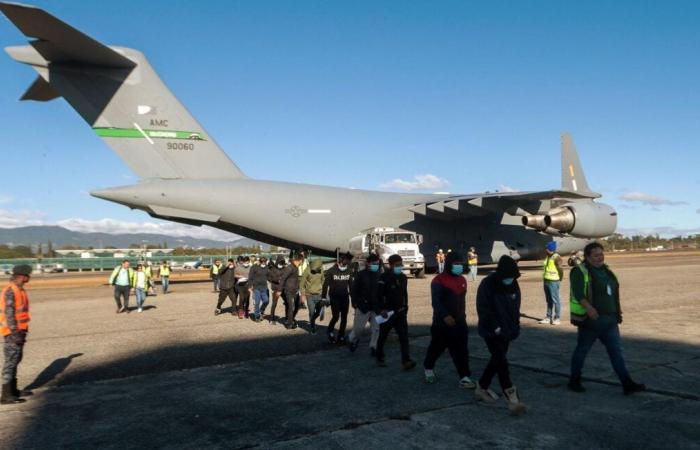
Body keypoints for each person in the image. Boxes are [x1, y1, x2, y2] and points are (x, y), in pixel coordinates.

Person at [568, 242, 646, 395]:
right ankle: (574, 380)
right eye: (596, 255)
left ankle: (627, 383)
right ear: (588, 257)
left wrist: (617, 313)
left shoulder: (607, 271)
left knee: (616, 352)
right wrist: (589, 308)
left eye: (601, 254)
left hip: (610, 321)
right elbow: (578, 293)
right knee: (582, 351)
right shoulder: (580, 271)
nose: (600, 258)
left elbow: (614, 292)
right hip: (591, 321)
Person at [475, 255, 527, 415]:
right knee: (501, 360)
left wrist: (515, 326)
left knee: (497, 360)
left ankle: (482, 387)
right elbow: (483, 308)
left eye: (513, 277)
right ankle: (511, 396)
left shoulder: (513, 283)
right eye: (508, 276)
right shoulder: (488, 284)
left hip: (507, 330)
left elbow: (515, 307)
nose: (510, 279)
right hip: (491, 330)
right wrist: (495, 327)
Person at [423, 252, 475, 388]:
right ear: (449, 264)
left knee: (462, 350)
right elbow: (436, 302)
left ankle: (464, 377)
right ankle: (428, 367)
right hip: (442, 322)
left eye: (460, 264)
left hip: (459, 322)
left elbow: (462, 301)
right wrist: (445, 316)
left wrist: (462, 318)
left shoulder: (462, 280)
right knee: (437, 348)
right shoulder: (438, 280)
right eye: (455, 264)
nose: (458, 266)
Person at [375, 255, 416, 370]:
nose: (400, 267)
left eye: (401, 264)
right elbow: (378, 296)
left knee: (404, 337)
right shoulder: (384, 277)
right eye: (397, 265)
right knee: (383, 336)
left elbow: (404, 294)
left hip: (400, 313)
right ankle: (380, 357)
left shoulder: (403, 277)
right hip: (387, 313)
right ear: (391, 265)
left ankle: (406, 360)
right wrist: (381, 310)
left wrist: (406, 307)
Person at [1, 265, 33, 405]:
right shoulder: (11, 291)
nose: (29, 277)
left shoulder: (19, 289)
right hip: (12, 333)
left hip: (19, 331)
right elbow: (9, 314)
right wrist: (15, 333)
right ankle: (6, 395)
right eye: (28, 274)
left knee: (16, 359)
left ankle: (13, 390)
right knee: (11, 362)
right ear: (22, 276)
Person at [348, 254, 382, 355]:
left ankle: (373, 346)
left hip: (376, 307)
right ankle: (351, 339)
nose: (376, 265)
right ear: (368, 263)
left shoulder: (379, 275)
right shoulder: (360, 275)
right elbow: (354, 291)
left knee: (376, 328)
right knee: (358, 329)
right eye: (373, 264)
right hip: (363, 307)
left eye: (377, 264)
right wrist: (356, 303)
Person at [322, 252, 353, 344]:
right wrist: (323, 297)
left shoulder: (349, 271)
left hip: (345, 297)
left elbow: (351, 286)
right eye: (344, 263)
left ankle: (341, 336)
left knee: (344, 318)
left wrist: (354, 299)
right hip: (334, 297)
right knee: (335, 316)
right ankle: (330, 331)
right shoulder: (331, 271)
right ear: (339, 262)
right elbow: (325, 285)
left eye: (347, 264)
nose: (345, 265)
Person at [540, 241, 563, 325]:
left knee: (556, 300)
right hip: (546, 280)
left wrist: (559, 279)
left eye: (547, 248)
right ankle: (548, 317)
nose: (545, 249)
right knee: (549, 300)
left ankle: (557, 318)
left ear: (550, 249)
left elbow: (560, 270)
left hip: (553, 281)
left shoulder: (557, 257)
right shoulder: (548, 257)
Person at [300, 258, 325, 334]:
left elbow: (323, 280)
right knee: (311, 312)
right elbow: (302, 284)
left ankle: (314, 318)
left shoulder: (321, 270)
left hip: (319, 294)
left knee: (318, 311)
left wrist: (324, 291)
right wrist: (303, 295)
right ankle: (312, 327)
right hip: (309, 295)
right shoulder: (307, 270)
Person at [279, 254, 303, 329]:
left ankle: (291, 318)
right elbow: (282, 279)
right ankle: (289, 324)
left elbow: (295, 279)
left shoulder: (296, 267)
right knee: (290, 306)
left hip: (295, 290)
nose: (302, 262)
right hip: (288, 290)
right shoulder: (289, 268)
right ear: (300, 260)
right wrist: (279, 290)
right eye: (302, 260)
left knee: (298, 305)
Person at [248, 257, 269, 322]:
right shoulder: (254, 267)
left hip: (264, 287)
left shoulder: (267, 268)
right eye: (262, 262)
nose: (263, 263)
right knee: (257, 302)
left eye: (264, 262)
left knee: (266, 301)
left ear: (266, 262)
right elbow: (250, 276)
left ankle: (261, 311)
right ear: (259, 262)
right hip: (256, 287)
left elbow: (269, 276)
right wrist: (249, 286)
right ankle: (257, 316)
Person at [267, 256, 287, 325]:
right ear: (277, 262)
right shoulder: (273, 269)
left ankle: (287, 318)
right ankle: (271, 318)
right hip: (275, 288)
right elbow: (269, 278)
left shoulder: (285, 269)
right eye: (280, 263)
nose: (281, 265)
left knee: (287, 303)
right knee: (274, 303)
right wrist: (276, 280)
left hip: (284, 288)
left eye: (282, 263)